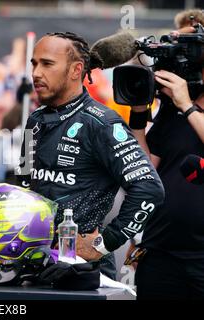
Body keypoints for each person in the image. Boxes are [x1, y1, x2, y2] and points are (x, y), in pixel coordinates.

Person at [16, 32, 165, 279]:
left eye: (47, 64)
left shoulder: (102, 123)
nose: (36, 73)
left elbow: (149, 189)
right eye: (34, 63)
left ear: (76, 70)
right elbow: (23, 185)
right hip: (32, 260)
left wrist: (104, 244)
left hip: (82, 269)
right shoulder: (35, 120)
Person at [128, 12, 204, 299]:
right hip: (161, 250)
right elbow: (147, 167)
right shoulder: (172, 110)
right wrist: (138, 117)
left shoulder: (182, 106)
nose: (181, 57)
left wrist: (187, 105)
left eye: (188, 48)